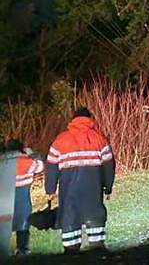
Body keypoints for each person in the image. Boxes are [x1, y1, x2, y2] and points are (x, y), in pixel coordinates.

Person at [45, 107, 115, 254]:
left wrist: (50, 189)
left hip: (69, 188)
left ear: (73, 120)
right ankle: (97, 246)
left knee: (70, 214)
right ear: (90, 119)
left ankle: (71, 249)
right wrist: (108, 187)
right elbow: (109, 165)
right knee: (94, 212)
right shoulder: (99, 139)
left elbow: (51, 165)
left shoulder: (61, 140)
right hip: (93, 187)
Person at [7, 139, 44, 256]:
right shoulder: (27, 161)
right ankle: (22, 249)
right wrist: (31, 154)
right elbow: (40, 167)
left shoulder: (4, 162)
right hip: (23, 197)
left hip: (5, 197)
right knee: (23, 222)